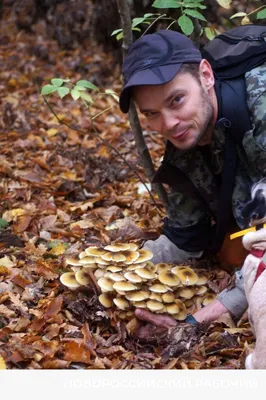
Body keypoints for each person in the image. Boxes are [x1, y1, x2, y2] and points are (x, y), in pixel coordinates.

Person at [118, 29, 266, 338]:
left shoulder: (260, 111)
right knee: (229, 252)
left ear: (206, 75)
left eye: (177, 100)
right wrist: (117, 268)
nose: (168, 124)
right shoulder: (187, 139)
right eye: (151, 114)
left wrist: (195, 323)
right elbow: (186, 237)